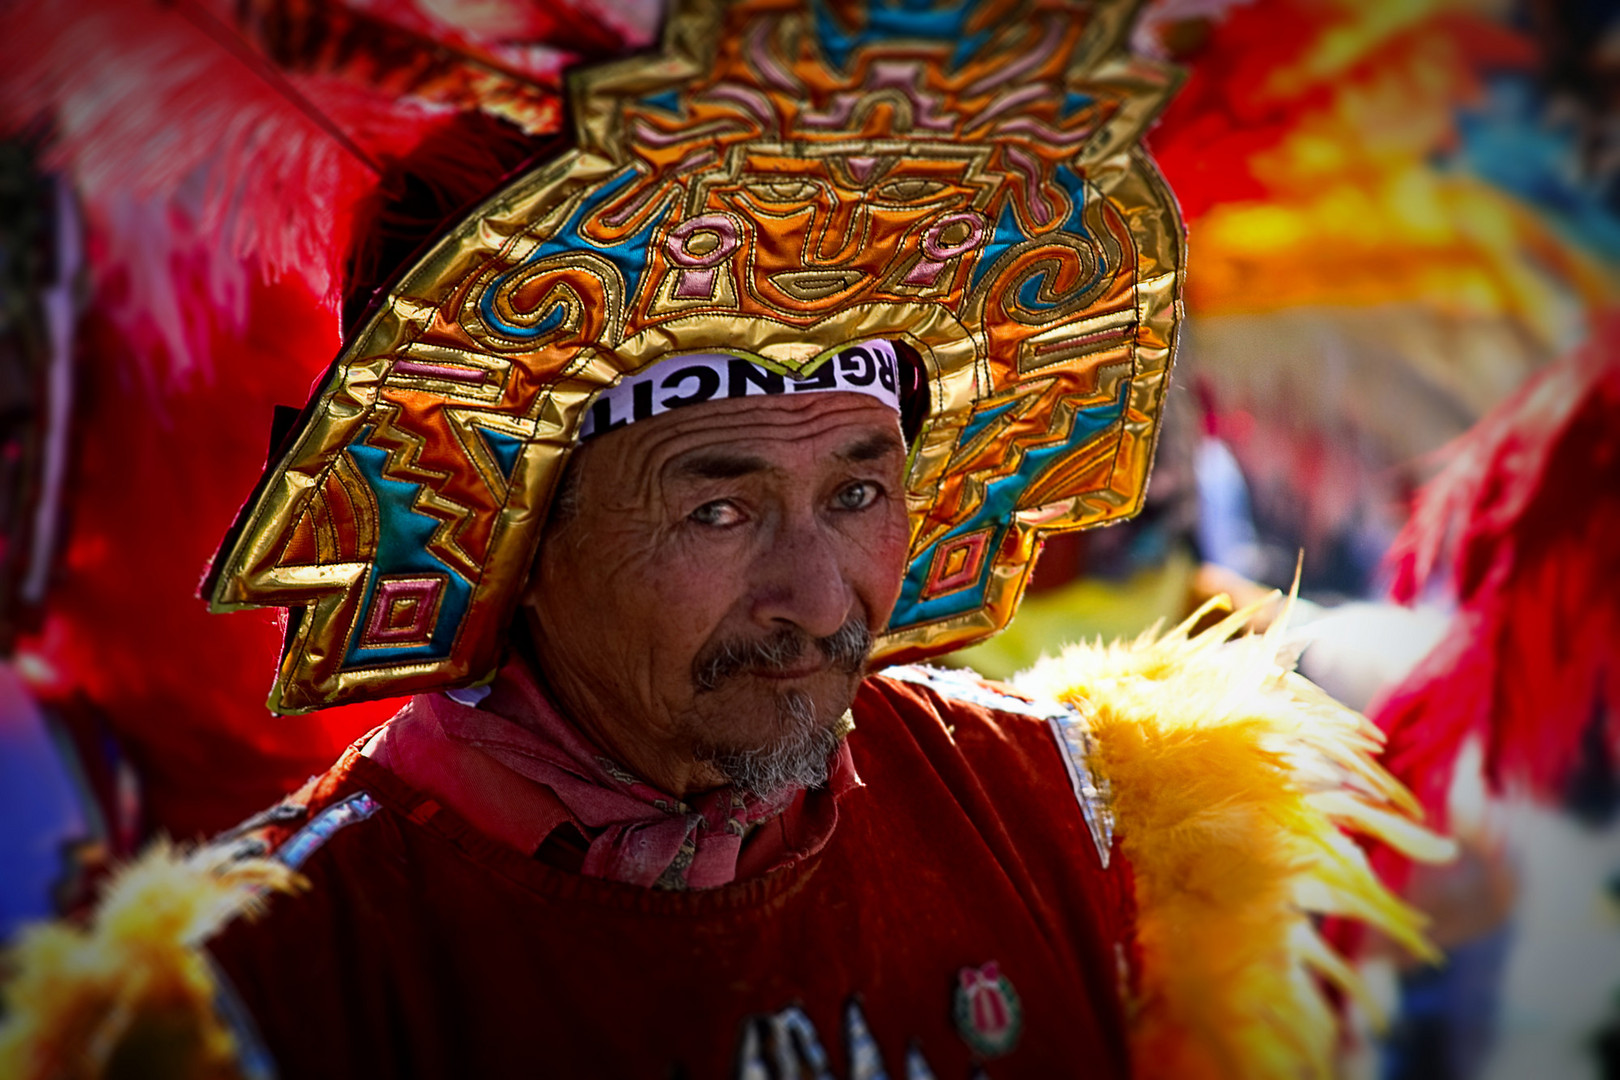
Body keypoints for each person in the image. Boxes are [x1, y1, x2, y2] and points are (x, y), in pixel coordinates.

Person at [0, 0, 1448, 1077]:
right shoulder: (275, 990)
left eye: (861, 491)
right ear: (513, 530)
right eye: (718, 503)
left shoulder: (1083, 819)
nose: (820, 602)